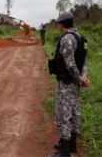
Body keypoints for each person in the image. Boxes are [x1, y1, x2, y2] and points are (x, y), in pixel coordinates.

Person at [47, 12, 89, 157]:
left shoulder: (67, 39)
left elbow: (70, 64)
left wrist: (78, 79)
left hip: (66, 83)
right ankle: (71, 146)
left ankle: (64, 153)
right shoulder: (81, 38)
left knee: (64, 115)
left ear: (62, 24)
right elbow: (84, 63)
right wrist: (83, 78)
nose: (58, 27)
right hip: (75, 84)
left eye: (58, 24)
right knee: (74, 112)